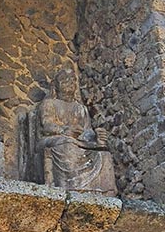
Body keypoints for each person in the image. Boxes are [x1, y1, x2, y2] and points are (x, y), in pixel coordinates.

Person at [35, 64, 116, 194]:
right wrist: (64, 130)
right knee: (67, 144)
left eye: (72, 79)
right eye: (65, 79)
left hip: (77, 141)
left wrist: (96, 137)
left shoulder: (80, 108)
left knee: (103, 153)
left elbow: (86, 131)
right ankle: (69, 186)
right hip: (52, 139)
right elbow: (46, 125)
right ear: (56, 85)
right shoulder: (49, 103)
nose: (70, 82)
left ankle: (104, 190)